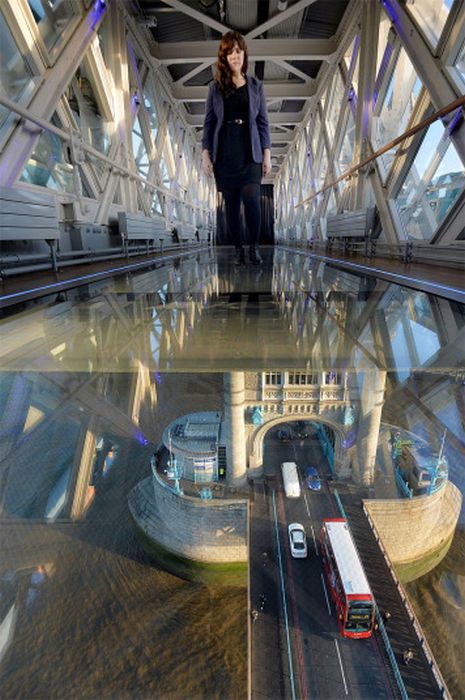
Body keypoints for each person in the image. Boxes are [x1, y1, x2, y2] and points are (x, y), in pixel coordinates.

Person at [202, 31, 272, 266]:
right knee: (231, 204)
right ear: (224, 57)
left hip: (249, 150)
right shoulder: (215, 88)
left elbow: (262, 122)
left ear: (244, 55)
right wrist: (205, 155)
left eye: (238, 51)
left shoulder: (256, 86)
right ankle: (238, 249)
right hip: (224, 152)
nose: (235, 56)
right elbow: (209, 123)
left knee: (251, 198)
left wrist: (267, 154)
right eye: (230, 52)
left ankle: (254, 247)